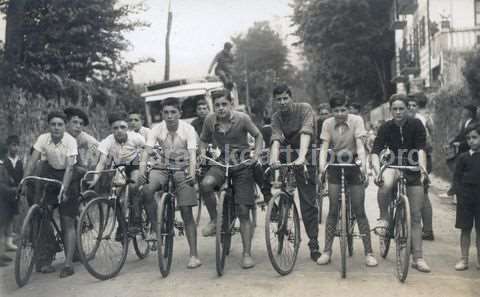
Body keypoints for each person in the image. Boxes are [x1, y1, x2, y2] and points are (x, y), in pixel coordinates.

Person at [199, 89, 263, 269]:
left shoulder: (242, 119)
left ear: (231, 104)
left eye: (224, 104)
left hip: (242, 164)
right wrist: (203, 153)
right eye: (217, 105)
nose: (220, 108)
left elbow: (258, 136)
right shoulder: (210, 120)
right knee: (206, 184)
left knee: (243, 209)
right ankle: (214, 220)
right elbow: (203, 140)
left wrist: (256, 155)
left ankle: (247, 254)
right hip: (222, 162)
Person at [139, 97, 201, 269]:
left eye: (173, 112)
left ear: (180, 113)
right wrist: (142, 170)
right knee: (146, 190)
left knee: (187, 210)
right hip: (163, 167)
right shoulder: (156, 129)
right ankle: (155, 227)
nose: (169, 116)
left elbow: (193, 154)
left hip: (183, 167)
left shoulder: (188, 129)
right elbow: (146, 152)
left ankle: (194, 255)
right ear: (162, 114)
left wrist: (192, 172)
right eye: (166, 112)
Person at [371, 94, 431, 272]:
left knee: (416, 216)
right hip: (393, 165)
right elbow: (375, 151)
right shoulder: (385, 127)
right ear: (390, 110)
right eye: (394, 109)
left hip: (412, 167)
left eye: (401, 108)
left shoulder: (416, 124)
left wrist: (423, 169)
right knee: (386, 184)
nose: (398, 112)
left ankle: (418, 258)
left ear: (407, 109)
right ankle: (384, 218)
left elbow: (421, 149)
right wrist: (377, 170)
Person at [316, 94, 377, 267]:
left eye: (343, 109)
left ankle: (369, 252)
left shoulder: (357, 120)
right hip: (335, 163)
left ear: (348, 108)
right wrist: (322, 166)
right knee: (333, 208)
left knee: (359, 208)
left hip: (354, 161)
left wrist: (364, 166)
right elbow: (324, 148)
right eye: (336, 110)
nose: (340, 113)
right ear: (332, 111)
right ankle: (327, 251)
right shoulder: (327, 123)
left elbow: (360, 145)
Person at [23, 111, 82, 277]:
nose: (56, 128)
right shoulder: (43, 138)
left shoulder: (70, 141)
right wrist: (24, 179)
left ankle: (68, 264)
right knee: (43, 213)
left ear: (64, 126)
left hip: (70, 176)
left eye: (60, 125)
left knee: (66, 220)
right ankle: (45, 255)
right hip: (52, 174)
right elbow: (32, 161)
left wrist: (63, 189)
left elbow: (70, 168)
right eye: (53, 124)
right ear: (49, 126)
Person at [269, 83, 321, 262]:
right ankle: (280, 212)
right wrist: (274, 160)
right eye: (279, 100)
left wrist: (302, 157)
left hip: (308, 154)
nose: (282, 102)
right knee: (274, 180)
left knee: (308, 202)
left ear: (291, 97)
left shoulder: (304, 109)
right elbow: (276, 139)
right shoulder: (276, 117)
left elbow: (307, 132)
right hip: (289, 153)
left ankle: (313, 243)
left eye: (285, 98)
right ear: (275, 101)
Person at [89, 112, 145, 228]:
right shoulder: (107, 141)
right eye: (115, 128)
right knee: (115, 198)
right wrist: (95, 178)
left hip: (134, 165)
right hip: (119, 168)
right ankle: (122, 226)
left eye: (122, 127)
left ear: (127, 128)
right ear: (111, 130)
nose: (119, 130)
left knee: (134, 186)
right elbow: (102, 162)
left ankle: (137, 217)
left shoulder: (136, 137)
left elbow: (148, 150)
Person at [453, 124, 480, 271]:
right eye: (468, 138)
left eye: (475, 137)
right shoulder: (463, 157)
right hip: (465, 197)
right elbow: (456, 177)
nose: (471, 141)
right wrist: (457, 194)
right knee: (465, 229)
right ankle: (464, 259)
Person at [407, 94, 435, 241]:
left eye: (413, 105)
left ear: (417, 107)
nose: (411, 108)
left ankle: (428, 230)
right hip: (415, 157)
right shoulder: (419, 118)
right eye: (409, 105)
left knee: (423, 193)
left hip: (422, 158)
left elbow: (428, 143)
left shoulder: (419, 119)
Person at [447, 104, 478, 196]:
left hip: (468, 148)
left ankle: (456, 190)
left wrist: (460, 144)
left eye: (466, 110)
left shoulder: (475, 123)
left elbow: (472, 138)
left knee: (461, 169)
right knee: (453, 165)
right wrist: (452, 142)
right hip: (461, 149)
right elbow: (461, 135)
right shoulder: (465, 121)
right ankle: (454, 189)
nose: (464, 112)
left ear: (471, 112)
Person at [2, 135, 23, 252]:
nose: (15, 148)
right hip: (5, 193)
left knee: (11, 217)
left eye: (17, 145)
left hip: (15, 193)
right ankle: (4, 242)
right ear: (8, 146)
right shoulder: (4, 161)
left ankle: (9, 242)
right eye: (13, 145)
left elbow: (21, 175)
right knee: (4, 217)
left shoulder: (19, 161)